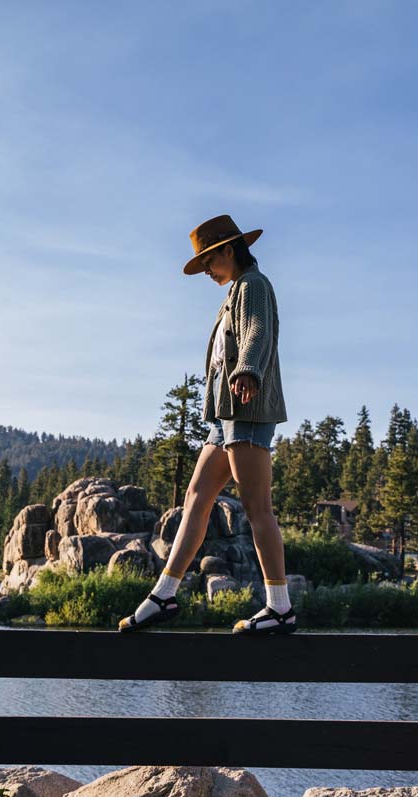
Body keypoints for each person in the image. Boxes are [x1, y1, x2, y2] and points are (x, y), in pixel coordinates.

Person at [119, 214, 294, 635]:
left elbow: (257, 332)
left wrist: (248, 370)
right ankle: (165, 594)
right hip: (225, 417)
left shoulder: (254, 285)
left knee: (257, 509)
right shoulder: (234, 291)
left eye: (208, 263)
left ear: (228, 251)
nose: (207, 272)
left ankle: (280, 607)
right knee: (196, 498)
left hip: (246, 411)